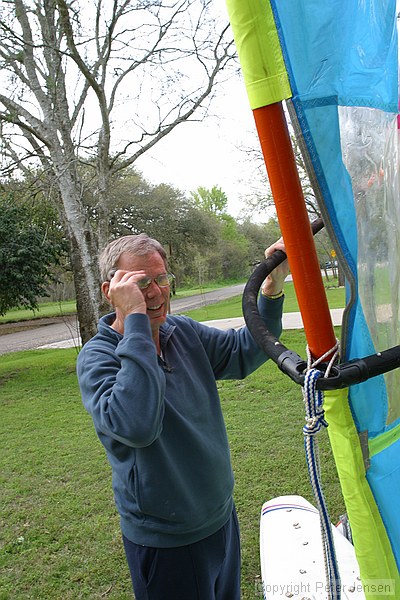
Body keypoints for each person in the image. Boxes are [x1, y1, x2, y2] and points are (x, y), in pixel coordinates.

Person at [76, 233, 289, 600]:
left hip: (220, 518)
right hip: (167, 540)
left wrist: (272, 286)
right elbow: (137, 425)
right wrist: (138, 323)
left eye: (161, 279)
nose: (156, 292)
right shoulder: (98, 358)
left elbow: (245, 351)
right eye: (141, 283)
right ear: (110, 291)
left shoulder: (182, 331)